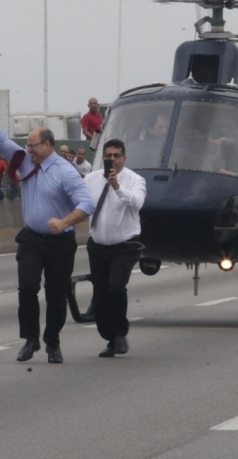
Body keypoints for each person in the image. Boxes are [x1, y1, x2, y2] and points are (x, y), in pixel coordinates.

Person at [0, 97, 95, 365]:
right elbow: (0, 140)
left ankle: (52, 341)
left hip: (59, 242)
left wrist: (65, 222)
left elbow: (87, 203)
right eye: (27, 145)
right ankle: (30, 339)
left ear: (47, 145)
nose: (27, 149)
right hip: (31, 238)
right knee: (27, 287)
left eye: (32, 145)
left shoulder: (65, 171)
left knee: (56, 295)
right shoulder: (25, 161)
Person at [83, 139, 146, 358]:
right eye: (108, 156)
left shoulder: (135, 180)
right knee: (100, 295)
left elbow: (137, 203)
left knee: (115, 287)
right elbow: (79, 202)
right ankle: (109, 337)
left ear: (124, 158)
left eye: (116, 156)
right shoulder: (91, 179)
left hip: (125, 245)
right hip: (98, 245)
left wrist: (117, 187)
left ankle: (120, 333)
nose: (112, 160)